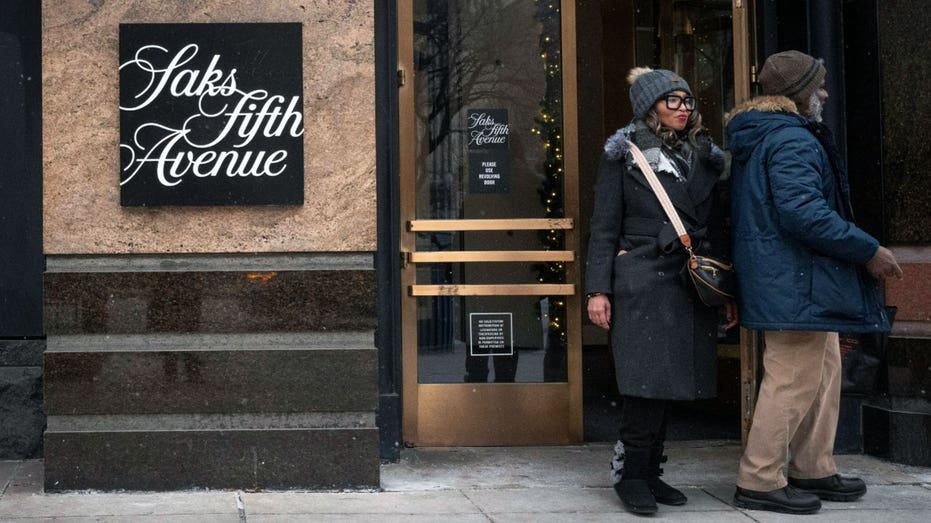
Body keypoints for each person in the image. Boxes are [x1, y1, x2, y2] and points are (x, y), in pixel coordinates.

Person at [725, 50, 903, 515]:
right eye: (818, 86)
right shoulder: (791, 139)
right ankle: (760, 478)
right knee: (793, 378)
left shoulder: (770, 134)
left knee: (824, 370)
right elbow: (803, 213)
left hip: (796, 277)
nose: (824, 93)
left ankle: (812, 465)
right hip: (795, 278)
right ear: (799, 93)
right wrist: (868, 250)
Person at [585, 67, 738, 515]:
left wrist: (726, 291)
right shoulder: (624, 154)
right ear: (649, 106)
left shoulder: (706, 156)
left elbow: (718, 226)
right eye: (672, 100)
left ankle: (651, 471)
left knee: (673, 382)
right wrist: (599, 289)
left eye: (687, 101)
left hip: (689, 282)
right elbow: (604, 226)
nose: (683, 108)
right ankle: (631, 473)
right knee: (645, 382)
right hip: (643, 278)